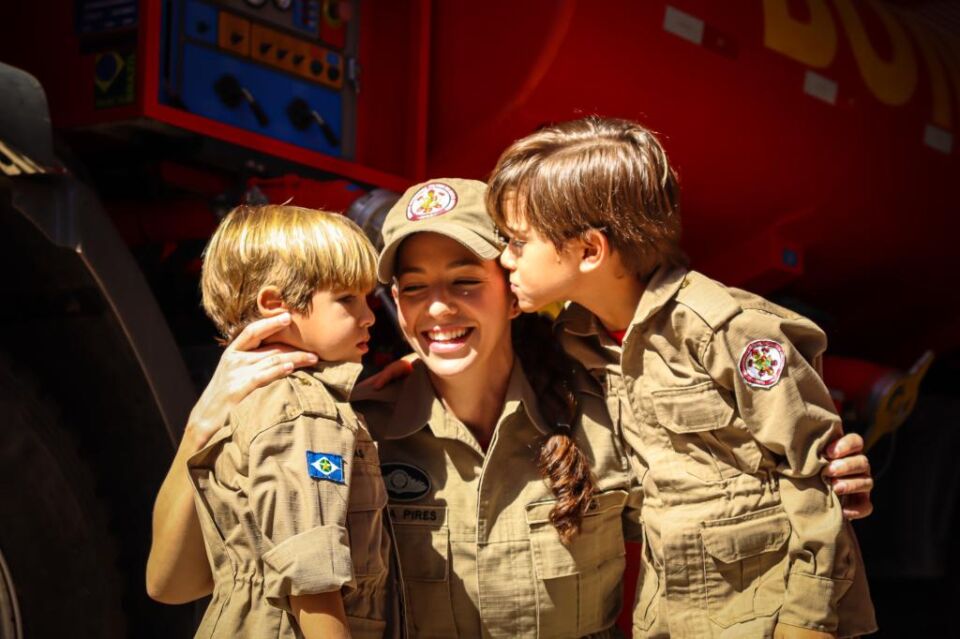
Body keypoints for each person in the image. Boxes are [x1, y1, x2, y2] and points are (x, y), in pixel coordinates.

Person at [146, 184, 876, 638]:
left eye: (465, 280)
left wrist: (823, 471)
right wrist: (198, 432)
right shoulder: (355, 428)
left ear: (513, 290)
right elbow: (178, 585)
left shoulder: (604, 412)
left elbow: (737, 511)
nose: (437, 309)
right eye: (412, 288)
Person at [486, 116, 877, 638]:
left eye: (517, 242)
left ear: (590, 250)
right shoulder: (578, 339)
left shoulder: (725, 330)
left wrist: (807, 621)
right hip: (671, 613)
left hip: (771, 615)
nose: (504, 258)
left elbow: (815, 481)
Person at [176, 204, 391, 638]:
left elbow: (167, 585)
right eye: (347, 299)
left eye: (368, 298)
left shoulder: (246, 402)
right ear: (276, 306)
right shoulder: (307, 409)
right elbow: (313, 585)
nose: (369, 316)